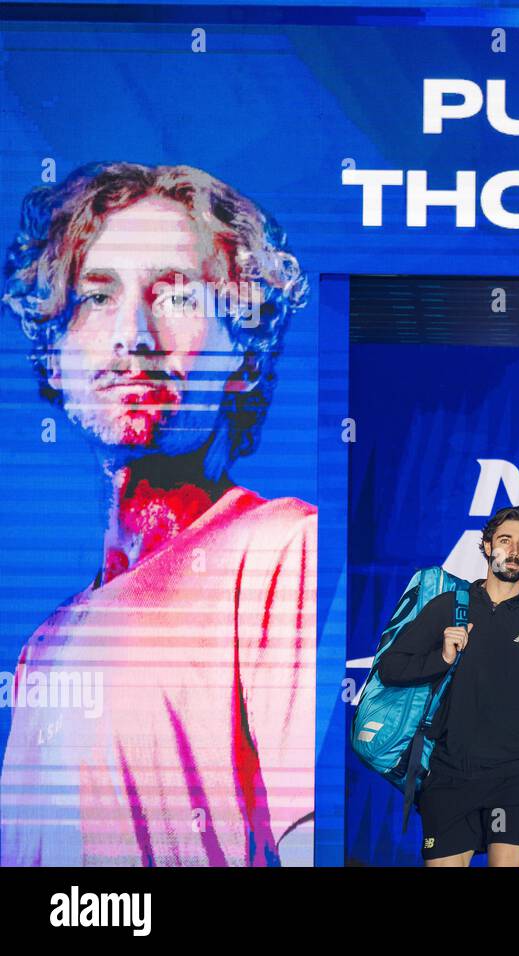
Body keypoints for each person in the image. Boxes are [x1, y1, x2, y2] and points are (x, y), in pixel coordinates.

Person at [0, 162, 315, 866]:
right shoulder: (42, 649)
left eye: (175, 296)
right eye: (96, 297)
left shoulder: (284, 549)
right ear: (52, 354)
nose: (133, 335)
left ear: (247, 353)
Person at [378, 506, 519, 866]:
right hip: (448, 775)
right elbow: (390, 669)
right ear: (487, 546)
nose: (515, 551)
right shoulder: (449, 607)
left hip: (514, 778)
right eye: (505, 540)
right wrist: (441, 657)